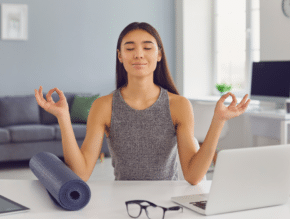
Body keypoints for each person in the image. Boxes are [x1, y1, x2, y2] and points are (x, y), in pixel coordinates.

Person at [35, 22, 250, 184]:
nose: (138, 54)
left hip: (169, 201)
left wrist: (219, 120)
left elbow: (193, 176)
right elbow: (80, 173)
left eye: (147, 47)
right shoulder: (104, 106)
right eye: (129, 48)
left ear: (158, 55)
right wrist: (63, 117)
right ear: (120, 56)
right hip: (123, 201)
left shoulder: (179, 105)